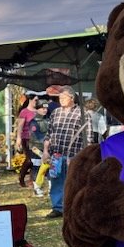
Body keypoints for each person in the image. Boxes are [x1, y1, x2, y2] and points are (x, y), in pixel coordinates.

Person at [42, 87, 88, 218]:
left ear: (72, 98)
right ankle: (58, 208)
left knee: (74, 182)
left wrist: (84, 156)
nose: (61, 100)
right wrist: (45, 151)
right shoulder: (55, 113)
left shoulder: (82, 113)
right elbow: (49, 134)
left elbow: (87, 137)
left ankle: (74, 208)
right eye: (59, 98)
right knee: (56, 180)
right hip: (56, 155)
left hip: (74, 155)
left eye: (63, 97)